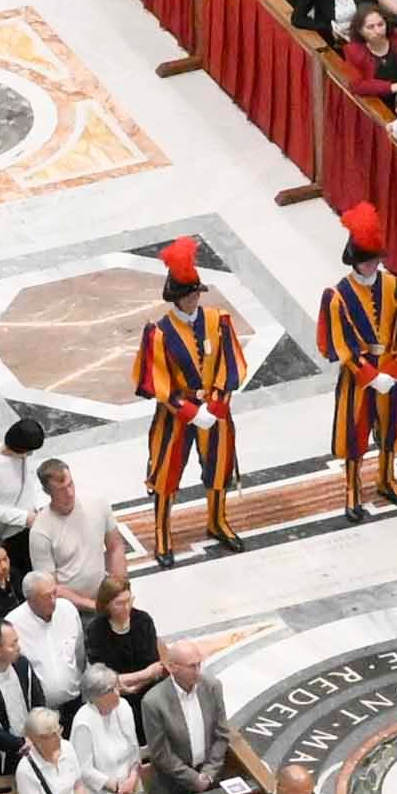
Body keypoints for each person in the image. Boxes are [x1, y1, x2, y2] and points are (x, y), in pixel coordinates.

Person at [131, 234, 248, 560]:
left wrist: (217, 404)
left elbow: (231, 363)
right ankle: (162, 533)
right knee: (167, 473)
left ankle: (217, 520)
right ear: (176, 297)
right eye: (188, 294)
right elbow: (157, 379)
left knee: (219, 465)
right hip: (176, 416)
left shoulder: (218, 321)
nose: (194, 298)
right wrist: (188, 411)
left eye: (196, 291)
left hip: (214, 407)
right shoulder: (159, 332)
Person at [313, 204, 397, 518]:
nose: (372, 266)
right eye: (366, 261)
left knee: (391, 428)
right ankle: (353, 489)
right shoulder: (338, 296)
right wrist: (370, 374)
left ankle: (387, 478)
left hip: (392, 370)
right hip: (359, 378)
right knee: (355, 432)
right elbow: (343, 344)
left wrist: (394, 369)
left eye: (375, 259)